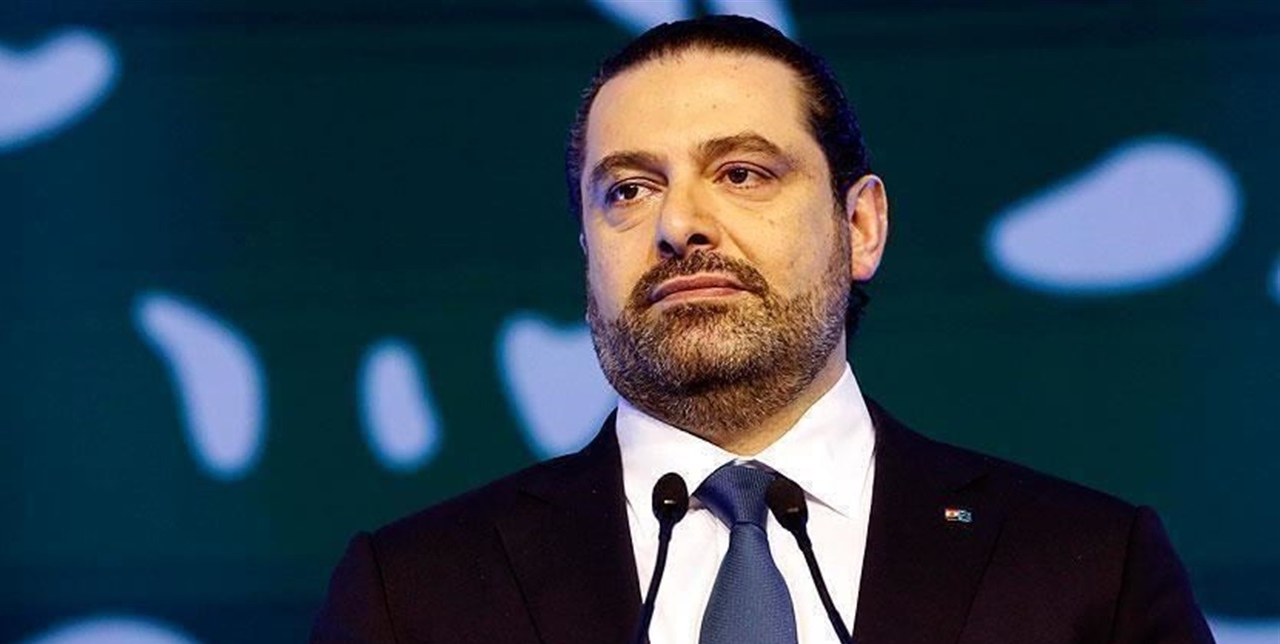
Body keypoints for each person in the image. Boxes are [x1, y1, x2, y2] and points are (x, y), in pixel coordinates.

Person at [311, 15, 1213, 643]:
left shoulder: (1089, 568)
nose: (679, 225)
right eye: (628, 190)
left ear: (861, 226)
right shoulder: (412, 593)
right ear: (586, 248)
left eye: (742, 173)